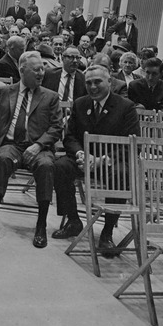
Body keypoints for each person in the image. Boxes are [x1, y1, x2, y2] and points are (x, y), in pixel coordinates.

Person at [51, 64, 140, 255]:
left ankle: (107, 232)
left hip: (111, 161)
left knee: (122, 173)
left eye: (97, 82)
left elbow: (132, 144)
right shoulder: (80, 103)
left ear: (109, 81)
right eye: (88, 83)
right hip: (84, 157)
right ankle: (73, 220)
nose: (92, 87)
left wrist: (102, 159)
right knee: (60, 166)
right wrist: (80, 154)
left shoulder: (126, 107)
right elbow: (70, 136)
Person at [0, 51, 64, 248]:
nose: (41, 73)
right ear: (22, 70)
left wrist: (38, 145)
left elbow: (56, 127)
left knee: (46, 166)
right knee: (2, 160)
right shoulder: (4, 92)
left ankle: (41, 224)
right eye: (36, 69)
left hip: (39, 147)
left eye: (43, 69)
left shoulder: (51, 97)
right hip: (11, 145)